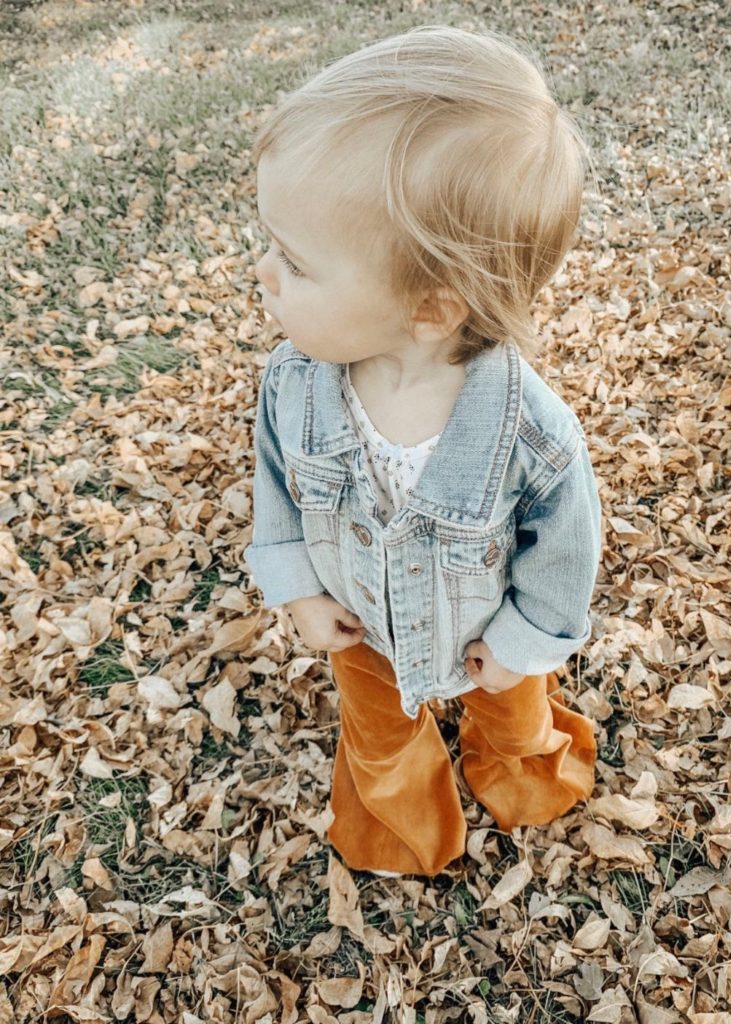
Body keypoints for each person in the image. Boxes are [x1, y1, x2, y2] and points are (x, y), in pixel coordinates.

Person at [243, 25, 603, 878]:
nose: (263, 271)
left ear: (431, 310)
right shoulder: (293, 384)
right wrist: (294, 583)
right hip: (359, 622)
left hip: (487, 636)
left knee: (513, 715)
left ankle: (517, 772)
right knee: (378, 735)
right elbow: (276, 488)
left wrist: (521, 641)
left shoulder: (531, 435)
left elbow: (563, 554)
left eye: (294, 260)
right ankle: (398, 823)